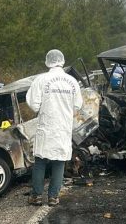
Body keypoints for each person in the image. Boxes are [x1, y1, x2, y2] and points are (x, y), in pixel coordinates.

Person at [26, 49, 83, 207]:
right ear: (62, 61)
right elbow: (77, 105)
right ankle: (53, 197)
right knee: (59, 162)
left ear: (47, 61)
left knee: (40, 161)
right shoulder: (72, 81)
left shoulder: (41, 80)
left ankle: (36, 196)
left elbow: (33, 104)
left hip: (46, 126)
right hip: (63, 128)